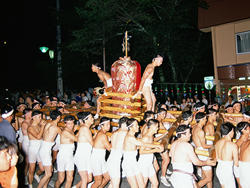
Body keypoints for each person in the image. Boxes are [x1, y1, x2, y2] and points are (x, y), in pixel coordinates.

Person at [122, 118, 163, 188]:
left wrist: (157, 146)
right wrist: (156, 147)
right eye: (136, 125)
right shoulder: (130, 137)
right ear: (131, 127)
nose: (138, 126)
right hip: (128, 165)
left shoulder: (133, 137)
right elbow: (143, 144)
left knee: (145, 185)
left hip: (134, 163)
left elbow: (142, 144)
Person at [37, 110, 62, 188]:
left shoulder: (48, 124)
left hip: (42, 147)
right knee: (49, 174)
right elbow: (64, 135)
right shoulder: (56, 128)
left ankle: (45, 186)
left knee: (49, 171)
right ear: (58, 117)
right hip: (46, 151)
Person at [138, 119, 164, 188]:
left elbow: (149, 145)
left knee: (155, 183)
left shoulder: (151, 136)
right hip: (144, 163)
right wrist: (155, 150)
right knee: (143, 185)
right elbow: (141, 152)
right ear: (152, 127)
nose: (158, 129)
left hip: (149, 162)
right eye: (157, 127)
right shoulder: (145, 137)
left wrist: (157, 147)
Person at [55, 115, 77, 188]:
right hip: (62, 157)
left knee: (70, 178)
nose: (71, 125)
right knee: (61, 179)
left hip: (70, 157)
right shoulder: (65, 132)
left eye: (72, 123)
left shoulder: (71, 130)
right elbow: (77, 139)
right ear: (65, 124)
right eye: (69, 123)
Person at [73, 112, 94, 188]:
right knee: (85, 179)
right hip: (81, 157)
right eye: (91, 118)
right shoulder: (85, 128)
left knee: (89, 179)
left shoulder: (84, 128)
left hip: (86, 157)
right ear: (86, 119)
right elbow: (93, 143)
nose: (93, 119)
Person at [106, 117, 129, 188]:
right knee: (116, 185)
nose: (129, 127)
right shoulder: (125, 133)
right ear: (124, 125)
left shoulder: (114, 133)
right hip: (115, 162)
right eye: (128, 125)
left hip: (110, 160)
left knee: (112, 184)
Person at [192, 112, 213, 188]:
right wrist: (214, 146)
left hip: (198, 151)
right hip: (202, 153)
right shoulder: (200, 131)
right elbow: (204, 145)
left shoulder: (194, 127)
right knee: (209, 178)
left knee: (205, 177)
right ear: (202, 120)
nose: (206, 121)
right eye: (205, 119)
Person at [215, 122, 239, 188]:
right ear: (231, 131)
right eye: (233, 131)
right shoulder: (233, 145)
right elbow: (236, 163)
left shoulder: (217, 143)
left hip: (219, 169)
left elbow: (217, 159)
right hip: (227, 171)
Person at [90, 117, 111, 188]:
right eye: (107, 125)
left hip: (101, 159)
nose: (109, 126)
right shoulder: (103, 135)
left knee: (107, 177)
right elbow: (110, 148)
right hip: (96, 159)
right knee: (98, 181)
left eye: (109, 124)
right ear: (102, 126)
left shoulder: (102, 133)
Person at [27, 110, 46, 188]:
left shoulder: (38, 125)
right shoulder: (30, 127)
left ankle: (36, 175)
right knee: (32, 168)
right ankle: (30, 184)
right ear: (34, 117)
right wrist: (43, 127)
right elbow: (38, 137)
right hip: (33, 150)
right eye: (39, 117)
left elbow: (42, 136)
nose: (40, 118)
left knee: (43, 168)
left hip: (39, 149)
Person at [21, 108, 33, 184]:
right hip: (27, 141)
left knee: (31, 160)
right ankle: (24, 176)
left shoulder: (32, 121)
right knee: (27, 160)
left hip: (32, 141)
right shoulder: (24, 123)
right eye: (31, 113)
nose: (32, 115)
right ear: (27, 114)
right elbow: (27, 133)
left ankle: (29, 174)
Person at [238, 122, 250, 188]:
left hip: (242, 164)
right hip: (246, 165)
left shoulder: (244, 138)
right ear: (245, 130)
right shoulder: (243, 138)